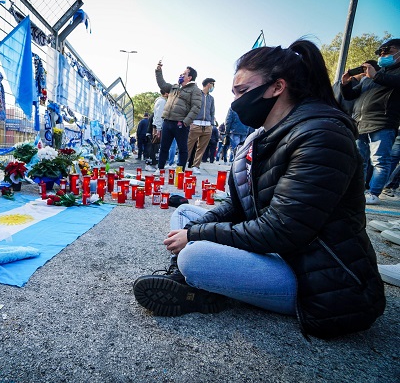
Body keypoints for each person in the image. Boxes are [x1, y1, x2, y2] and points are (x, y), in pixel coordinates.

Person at [133, 39, 386, 339]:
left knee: (193, 255)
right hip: (278, 253)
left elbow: (281, 230)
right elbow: (237, 204)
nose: (237, 101)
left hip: (318, 283)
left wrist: (195, 236)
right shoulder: (261, 136)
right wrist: (194, 228)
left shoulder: (323, 136)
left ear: (277, 87)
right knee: (187, 214)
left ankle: (197, 280)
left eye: (242, 91)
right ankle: (202, 283)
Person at [341, 38, 400, 205]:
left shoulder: (388, 75)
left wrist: (376, 75)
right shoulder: (369, 78)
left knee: (380, 160)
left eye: (388, 50)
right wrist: (345, 84)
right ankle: (357, 192)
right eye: (380, 52)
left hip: (383, 123)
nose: (383, 54)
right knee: (359, 161)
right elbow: (350, 96)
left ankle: (374, 193)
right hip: (361, 124)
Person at [155, 62, 203, 172]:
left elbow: (196, 107)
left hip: (180, 123)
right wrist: (158, 71)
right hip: (167, 121)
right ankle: (160, 168)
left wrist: (185, 122)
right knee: (164, 147)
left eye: (184, 74)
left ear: (190, 77)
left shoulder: (195, 90)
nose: (181, 75)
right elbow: (162, 84)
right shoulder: (174, 87)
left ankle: (180, 171)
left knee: (182, 148)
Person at [187, 78, 216, 174]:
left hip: (207, 126)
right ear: (208, 84)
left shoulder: (211, 98)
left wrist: (211, 124)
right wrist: (190, 122)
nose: (213, 87)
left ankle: (196, 166)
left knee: (202, 148)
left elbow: (212, 112)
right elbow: (190, 107)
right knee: (188, 146)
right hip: (195, 124)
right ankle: (182, 163)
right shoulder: (196, 94)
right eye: (213, 84)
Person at [146, 89, 169, 171]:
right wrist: (158, 128)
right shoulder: (162, 102)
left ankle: (154, 163)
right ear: (166, 93)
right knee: (154, 145)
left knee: (155, 146)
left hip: (155, 126)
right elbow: (159, 116)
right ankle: (150, 163)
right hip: (156, 126)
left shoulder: (160, 101)